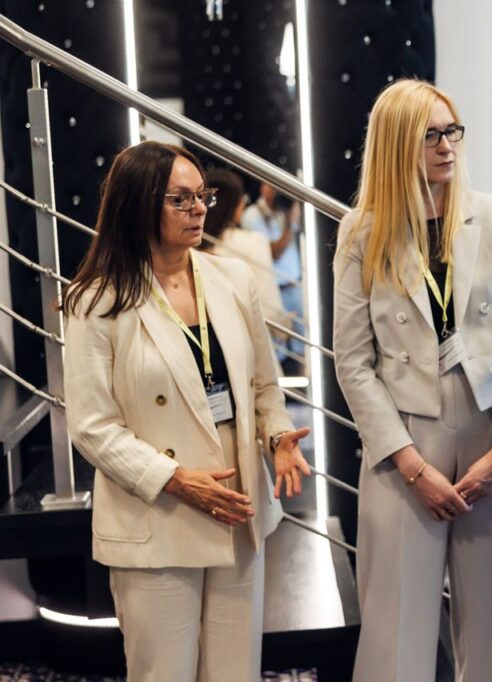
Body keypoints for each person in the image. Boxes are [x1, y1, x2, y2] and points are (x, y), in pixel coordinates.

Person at [62, 141, 311, 682]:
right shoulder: (95, 300)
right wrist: (175, 479)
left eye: (203, 196)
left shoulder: (234, 279)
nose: (199, 209)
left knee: (236, 672)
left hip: (236, 506)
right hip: (158, 514)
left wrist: (277, 437)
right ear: (138, 203)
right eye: (181, 199)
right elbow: (92, 427)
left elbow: (262, 386)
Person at [332, 79, 492, 682]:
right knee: (394, 630)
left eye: (452, 131)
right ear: (396, 143)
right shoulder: (362, 230)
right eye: (430, 136)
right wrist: (410, 464)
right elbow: (353, 360)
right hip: (403, 441)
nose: (447, 146)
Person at [200, 168, 291, 343]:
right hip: (245, 340)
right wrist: (283, 330)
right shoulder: (253, 243)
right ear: (233, 204)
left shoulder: (188, 247)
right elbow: (269, 304)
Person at [242, 181, 303, 368]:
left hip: (293, 285)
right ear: (262, 188)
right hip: (272, 290)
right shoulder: (252, 215)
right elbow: (274, 252)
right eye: (270, 186)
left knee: (303, 343)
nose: (274, 191)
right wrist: (290, 224)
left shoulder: (282, 212)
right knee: (276, 347)